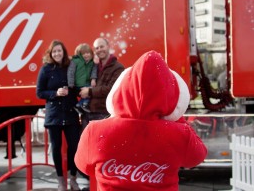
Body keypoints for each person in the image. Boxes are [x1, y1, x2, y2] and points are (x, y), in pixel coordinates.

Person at [75, 50, 207, 191]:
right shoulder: (180, 133)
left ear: (121, 88)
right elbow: (197, 157)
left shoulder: (95, 131)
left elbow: (84, 167)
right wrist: (176, 115)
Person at [36, 40, 81, 191]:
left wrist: (74, 90)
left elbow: (77, 87)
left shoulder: (71, 67)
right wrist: (55, 93)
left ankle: (73, 178)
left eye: (59, 51)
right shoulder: (45, 69)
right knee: (56, 148)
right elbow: (39, 92)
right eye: (54, 51)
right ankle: (61, 181)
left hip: (70, 112)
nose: (57, 54)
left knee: (74, 147)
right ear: (50, 53)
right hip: (54, 114)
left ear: (63, 52)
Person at [79, 37, 125, 127]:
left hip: (104, 113)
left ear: (108, 46)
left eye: (101, 47)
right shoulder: (93, 66)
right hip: (88, 113)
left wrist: (89, 91)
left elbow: (111, 89)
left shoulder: (118, 67)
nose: (99, 50)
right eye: (97, 48)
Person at [67, 43, 97, 114]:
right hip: (78, 84)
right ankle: (84, 104)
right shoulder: (75, 61)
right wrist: (70, 83)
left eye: (88, 53)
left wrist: (93, 78)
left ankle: (79, 105)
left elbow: (94, 71)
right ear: (79, 54)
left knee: (91, 90)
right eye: (83, 54)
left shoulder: (92, 62)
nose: (86, 55)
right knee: (89, 92)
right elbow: (71, 72)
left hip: (87, 83)